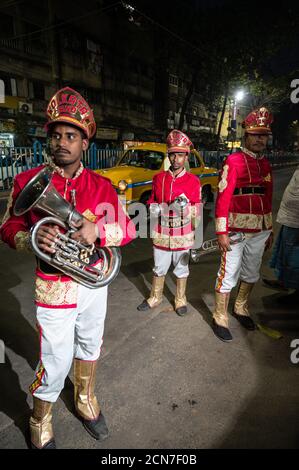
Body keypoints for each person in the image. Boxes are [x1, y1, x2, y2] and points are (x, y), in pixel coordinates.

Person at [0, 87, 135, 449]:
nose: (62, 142)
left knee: (91, 344)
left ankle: (84, 399)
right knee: (55, 359)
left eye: (71, 136)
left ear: (85, 143)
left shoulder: (102, 186)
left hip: (93, 284)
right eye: (57, 135)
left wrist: (99, 230)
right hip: (53, 284)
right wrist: (31, 240)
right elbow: (7, 227)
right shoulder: (25, 180)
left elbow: (130, 228)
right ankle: (39, 418)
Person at [212, 107, 274, 342]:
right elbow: (223, 197)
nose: (260, 139)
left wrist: (270, 230)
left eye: (264, 135)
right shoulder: (234, 160)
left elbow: (267, 198)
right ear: (246, 135)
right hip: (235, 229)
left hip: (260, 230)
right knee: (228, 273)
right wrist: (221, 231)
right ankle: (220, 316)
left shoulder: (266, 165)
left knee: (251, 271)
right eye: (256, 134)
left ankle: (240, 308)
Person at [137, 129, 201, 316]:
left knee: (181, 268)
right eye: (172, 154)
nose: (175, 159)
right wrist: (157, 209)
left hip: (183, 232)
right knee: (159, 266)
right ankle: (155, 297)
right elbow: (151, 202)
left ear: (186, 157)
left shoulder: (193, 181)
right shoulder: (158, 178)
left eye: (180, 155)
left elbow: (198, 207)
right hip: (162, 230)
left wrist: (187, 210)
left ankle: (180, 299)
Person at [263, 166, 299, 301]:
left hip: (296, 221)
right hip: (290, 219)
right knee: (283, 251)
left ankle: (295, 288)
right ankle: (284, 281)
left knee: (293, 255)